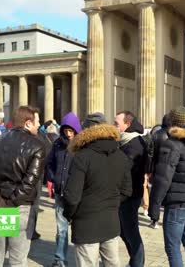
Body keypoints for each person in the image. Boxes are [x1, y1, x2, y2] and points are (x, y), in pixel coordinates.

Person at [0, 106, 46, 267]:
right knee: (18, 260)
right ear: (28, 123)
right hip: (20, 206)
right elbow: (31, 181)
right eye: (37, 121)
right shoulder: (37, 145)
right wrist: (12, 202)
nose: (39, 125)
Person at [63, 114, 132, 267]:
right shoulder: (121, 155)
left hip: (86, 224)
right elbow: (127, 190)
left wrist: (69, 214)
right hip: (111, 222)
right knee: (113, 264)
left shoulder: (82, 156)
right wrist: (112, 203)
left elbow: (72, 196)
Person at [149, 106, 185, 267]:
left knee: (173, 247)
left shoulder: (172, 144)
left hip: (177, 203)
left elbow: (162, 178)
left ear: (172, 122)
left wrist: (154, 207)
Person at [46, 112, 82, 267]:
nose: (68, 134)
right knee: (61, 230)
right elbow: (50, 163)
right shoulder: (58, 144)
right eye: (66, 131)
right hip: (60, 192)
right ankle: (60, 259)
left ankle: (84, 260)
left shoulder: (82, 145)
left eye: (71, 131)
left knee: (80, 229)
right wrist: (53, 179)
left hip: (77, 194)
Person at [114, 111, 147, 267]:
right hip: (124, 194)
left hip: (130, 195)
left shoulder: (134, 144)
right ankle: (135, 260)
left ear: (127, 124)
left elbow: (125, 171)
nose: (114, 126)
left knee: (131, 232)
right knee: (123, 230)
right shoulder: (124, 141)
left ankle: (137, 263)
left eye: (117, 123)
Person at [146, 114, 172, 228]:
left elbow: (150, 154)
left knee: (156, 196)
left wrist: (149, 169)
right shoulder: (174, 134)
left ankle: (154, 220)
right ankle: (168, 219)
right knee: (170, 195)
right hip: (172, 168)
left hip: (158, 168)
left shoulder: (156, 135)